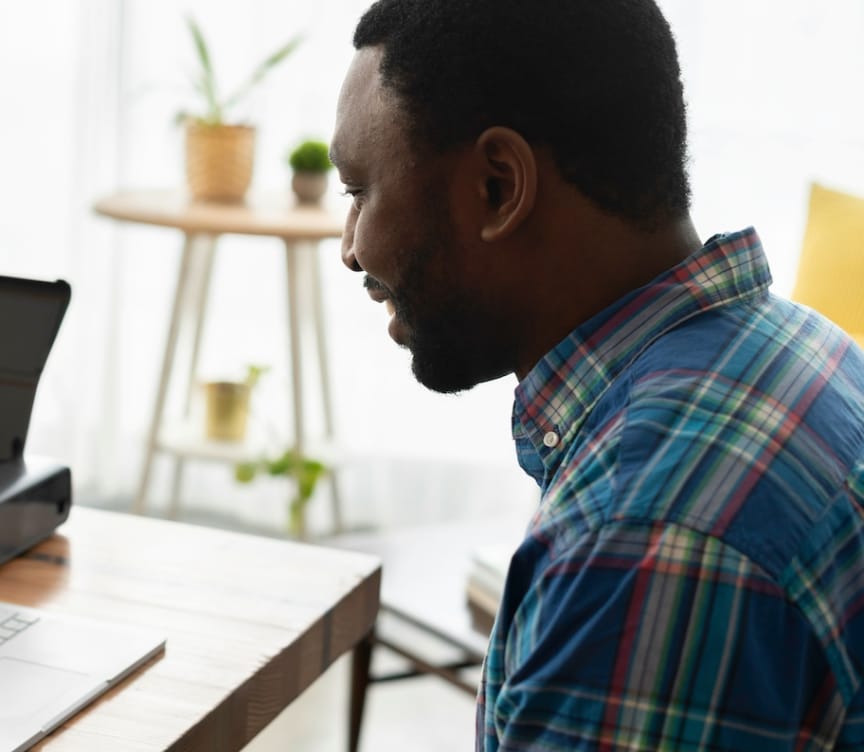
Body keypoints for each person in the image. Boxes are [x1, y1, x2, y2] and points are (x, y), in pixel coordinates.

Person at [332, 1, 864, 749]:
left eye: (358, 192)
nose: (350, 247)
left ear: (497, 187)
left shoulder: (639, 541)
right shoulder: (810, 352)